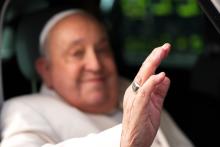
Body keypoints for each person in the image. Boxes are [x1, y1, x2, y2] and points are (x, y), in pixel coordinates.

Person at [0, 9, 193, 147]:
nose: (96, 65)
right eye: (77, 53)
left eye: (102, 50)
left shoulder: (130, 88)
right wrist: (126, 139)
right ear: (46, 70)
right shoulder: (23, 110)